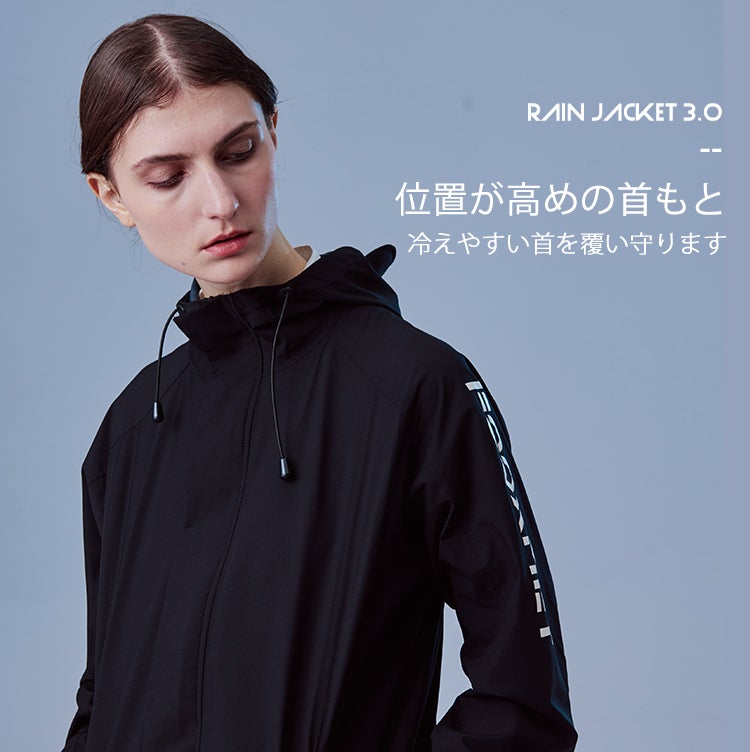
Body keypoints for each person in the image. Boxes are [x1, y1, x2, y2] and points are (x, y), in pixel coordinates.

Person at [62, 13, 577, 752]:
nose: (219, 202)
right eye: (168, 177)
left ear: (273, 132)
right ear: (110, 195)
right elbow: (102, 695)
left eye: (238, 152)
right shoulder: (130, 431)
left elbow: (524, 705)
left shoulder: (415, 386)